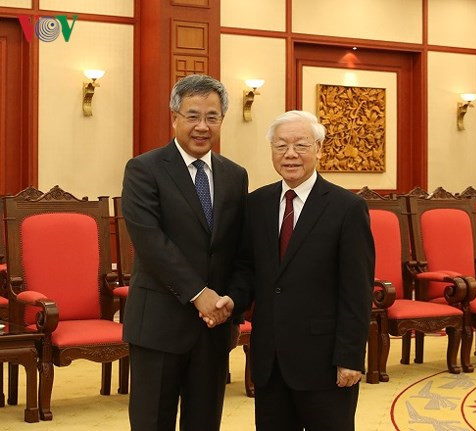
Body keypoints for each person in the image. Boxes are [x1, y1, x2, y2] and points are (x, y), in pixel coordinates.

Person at [226, 110, 374, 431]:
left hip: (325, 361)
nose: (290, 154)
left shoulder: (346, 208)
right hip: (269, 359)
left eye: (300, 145)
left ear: (319, 149)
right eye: (281, 146)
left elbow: (357, 290)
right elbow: (246, 270)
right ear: (272, 152)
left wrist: (350, 356)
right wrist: (230, 309)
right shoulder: (257, 204)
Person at [121, 74, 248, 431]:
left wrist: (230, 305)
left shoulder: (234, 176)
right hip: (159, 325)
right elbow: (151, 242)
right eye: (192, 115)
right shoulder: (144, 169)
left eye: (212, 116)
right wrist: (199, 294)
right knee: (152, 423)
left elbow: (239, 249)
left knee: (205, 422)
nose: (202, 126)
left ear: (222, 120)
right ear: (174, 117)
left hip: (213, 329)